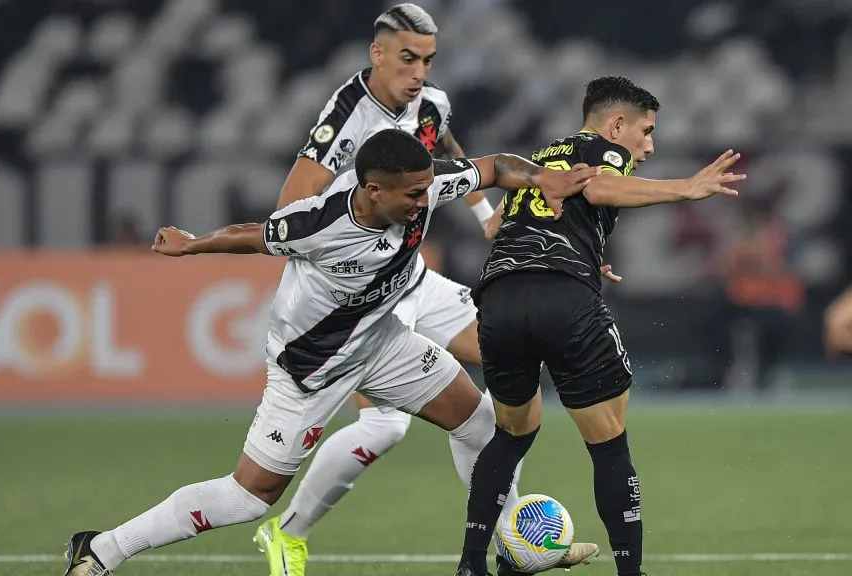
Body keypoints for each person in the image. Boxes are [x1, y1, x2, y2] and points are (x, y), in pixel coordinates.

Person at [60, 128, 598, 576]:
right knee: (250, 498)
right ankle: (103, 549)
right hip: (309, 372)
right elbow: (255, 234)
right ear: (372, 190)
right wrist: (192, 244)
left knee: (480, 423)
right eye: (410, 196)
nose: (422, 204)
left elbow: (495, 166)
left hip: (383, 343)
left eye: (425, 191)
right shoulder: (321, 224)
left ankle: (511, 545)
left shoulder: (425, 187)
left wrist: (542, 176)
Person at [258, 5, 603, 573]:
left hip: (413, 281)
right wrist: (351, 238)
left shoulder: (432, 104)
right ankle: (287, 533)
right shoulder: (345, 121)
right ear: (378, 53)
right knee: (386, 425)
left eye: (428, 60)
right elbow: (290, 213)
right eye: (408, 58)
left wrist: (484, 212)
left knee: (507, 364)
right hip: (357, 300)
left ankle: (515, 543)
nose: (419, 72)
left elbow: (446, 146)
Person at [456, 76, 746, 576]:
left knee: (511, 434)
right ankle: (631, 573)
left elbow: (500, 228)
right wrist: (687, 188)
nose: (650, 146)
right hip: (563, 300)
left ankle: (469, 566)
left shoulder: (540, 160)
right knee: (609, 440)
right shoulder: (599, 151)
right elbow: (601, 185)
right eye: (646, 131)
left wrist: (586, 258)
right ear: (616, 125)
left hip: (500, 298)